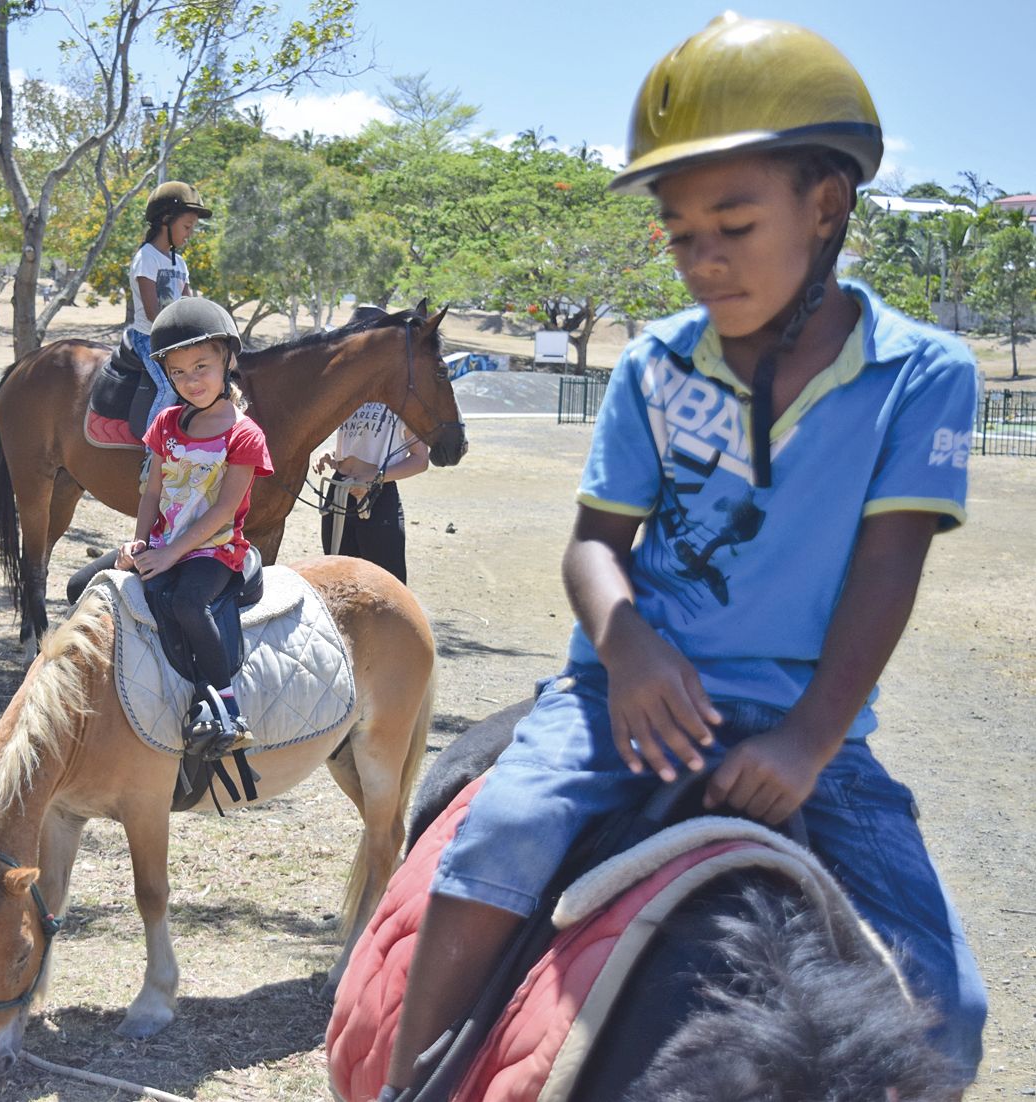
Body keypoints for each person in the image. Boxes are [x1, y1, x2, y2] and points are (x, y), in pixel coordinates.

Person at [379, 14, 985, 1100]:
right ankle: (408, 1086)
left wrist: (807, 737)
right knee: (503, 835)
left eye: (734, 225)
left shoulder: (919, 372)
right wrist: (629, 652)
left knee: (953, 1001)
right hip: (624, 700)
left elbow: (888, 567)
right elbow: (594, 549)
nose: (702, 259)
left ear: (827, 207)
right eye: (679, 233)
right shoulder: (656, 363)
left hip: (807, 727)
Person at [116, 297, 272, 755]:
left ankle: (227, 703)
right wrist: (140, 541)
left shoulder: (244, 434)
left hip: (215, 549)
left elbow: (225, 509)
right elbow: (151, 493)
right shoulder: (165, 423)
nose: (190, 381)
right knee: (85, 584)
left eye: (201, 366)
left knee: (187, 601)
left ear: (227, 360)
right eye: (179, 373)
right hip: (163, 540)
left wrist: (169, 554)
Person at [314, 402, 430, 583]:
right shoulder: (353, 397)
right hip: (339, 489)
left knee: (386, 581)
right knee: (338, 577)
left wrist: (375, 477)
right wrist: (330, 454)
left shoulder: (401, 403)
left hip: (377, 494)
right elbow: (357, 446)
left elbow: (421, 460)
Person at [129, 181, 211, 431]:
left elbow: (187, 305)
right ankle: (151, 453)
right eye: (187, 226)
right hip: (148, 338)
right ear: (166, 220)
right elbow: (154, 314)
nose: (189, 233)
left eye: (193, 228)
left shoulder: (181, 264)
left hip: (175, 340)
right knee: (168, 387)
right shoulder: (146, 258)